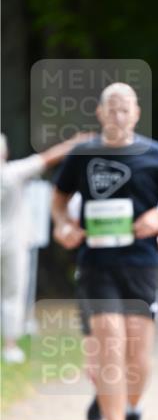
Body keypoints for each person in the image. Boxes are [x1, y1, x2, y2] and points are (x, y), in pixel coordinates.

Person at [51, 83, 158, 420]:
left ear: (137, 113)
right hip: (97, 263)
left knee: (137, 352)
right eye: (111, 108)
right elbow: (59, 200)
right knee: (109, 341)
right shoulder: (83, 154)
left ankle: (133, 409)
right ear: (99, 113)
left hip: (141, 263)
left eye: (125, 108)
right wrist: (63, 225)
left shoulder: (154, 153)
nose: (118, 115)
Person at [1, 133, 77, 363]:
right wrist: (74, 143)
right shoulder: (12, 172)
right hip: (14, 242)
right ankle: (10, 344)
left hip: (14, 240)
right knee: (14, 292)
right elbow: (47, 158)